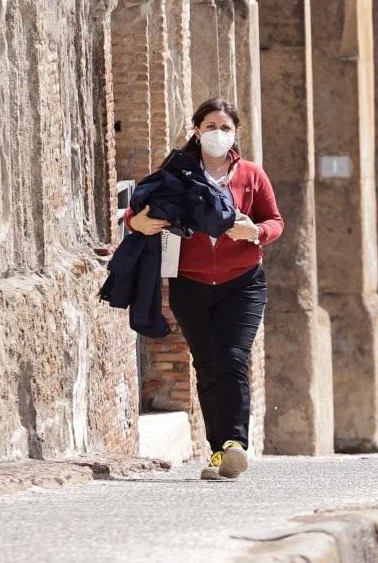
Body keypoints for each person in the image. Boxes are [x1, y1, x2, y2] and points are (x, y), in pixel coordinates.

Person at [127, 98, 282, 480]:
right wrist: (136, 223)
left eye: (225, 127)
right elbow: (140, 208)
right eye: (210, 125)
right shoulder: (177, 173)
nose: (218, 133)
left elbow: (275, 221)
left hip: (242, 284)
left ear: (236, 133)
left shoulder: (251, 175)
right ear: (196, 130)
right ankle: (218, 452)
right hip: (191, 285)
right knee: (207, 365)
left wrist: (256, 232)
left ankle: (234, 444)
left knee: (231, 357)